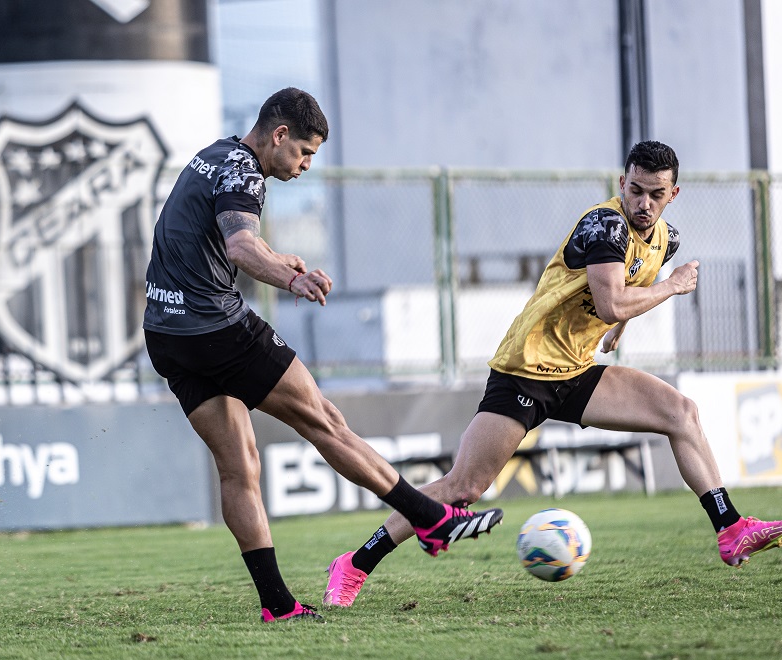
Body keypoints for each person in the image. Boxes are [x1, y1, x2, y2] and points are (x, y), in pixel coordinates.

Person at [321, 140, 782, 608]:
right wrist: (671, 287)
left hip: (578, 370)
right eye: (636, 190)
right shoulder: (605, 225)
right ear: (622, 183)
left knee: (681, 412)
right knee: (463, 488)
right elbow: (612, 300)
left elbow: (627, 291)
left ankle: (731, 528)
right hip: (526, 371)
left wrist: (617, 332)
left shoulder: (667, 238)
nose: (644, 203)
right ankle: (354, 564)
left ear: (673, 194)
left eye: (655, 194)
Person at [142, 87, 503, 623]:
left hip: (166, 334)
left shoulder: (213, 156)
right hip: (215, 328)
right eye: (304, 153)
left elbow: (222, 240)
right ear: (279, 135)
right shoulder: (244, 171)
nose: (307, 165)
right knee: (326, 422)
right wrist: (292, 276)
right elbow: (241, 247)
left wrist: (273, 255)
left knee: (238, 468)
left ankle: (277, 606)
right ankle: (429, 516)